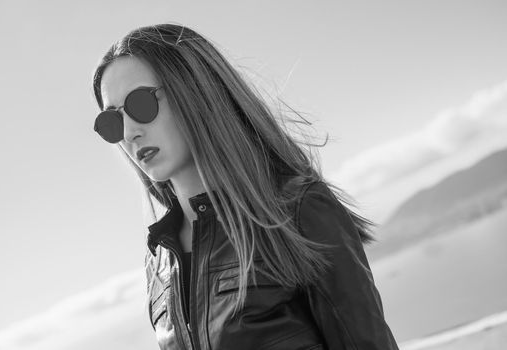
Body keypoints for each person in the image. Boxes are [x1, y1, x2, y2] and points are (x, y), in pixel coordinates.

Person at [92, 23, 399, 350]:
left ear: (195, 91)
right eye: (112, 121)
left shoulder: (296, 210)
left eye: (141, 104)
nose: (129, 133)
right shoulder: (160, 260)